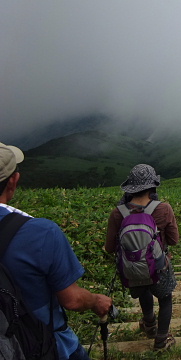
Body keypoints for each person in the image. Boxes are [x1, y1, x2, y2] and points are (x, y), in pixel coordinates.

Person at [0, 142, 113, 360]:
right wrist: (96, 300)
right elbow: (72, 300)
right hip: (40, 344)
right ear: (13, 181)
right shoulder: (40, 232)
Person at [104, 164, 179, 351]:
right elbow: (174, 240)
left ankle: (149, 323)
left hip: (132, 270)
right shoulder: (164, 209)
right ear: (153, 187)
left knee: (143, 289)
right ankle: (161, 339)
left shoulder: (118, 213)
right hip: (159, 267)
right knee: (166, 298)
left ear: (130, 188)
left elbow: (110, 248)